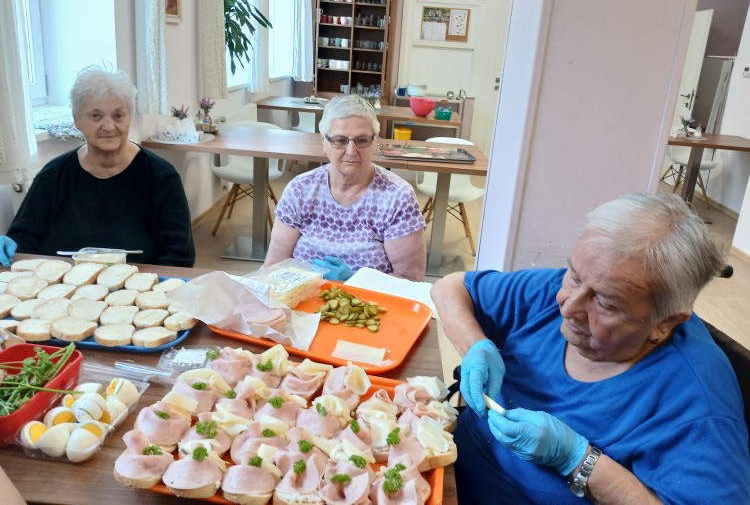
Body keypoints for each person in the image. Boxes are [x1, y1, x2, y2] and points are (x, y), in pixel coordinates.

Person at [432, 193, 750, 504]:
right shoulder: (583, 283)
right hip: (442, 475)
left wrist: (578, 459)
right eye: (574, 274)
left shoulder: (699, 409)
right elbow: (450, 287)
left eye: (605, 303)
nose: (568, 306)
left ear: (665, 322)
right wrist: (476, 345)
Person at [0, 65, 195, 268]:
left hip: (140, 291)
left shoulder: (162, 177)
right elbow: (23, 240)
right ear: (77, 120)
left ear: (130, 119)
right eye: (96, 116)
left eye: (119, 115)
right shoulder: (53, 176)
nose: (109, 126)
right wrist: (11, 245)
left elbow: (179, 255)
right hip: (64, 289)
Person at [263, 94, 426, 281]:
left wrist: (355, 280)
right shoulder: (300, 190)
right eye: (339, 140)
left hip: (371, 306)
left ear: (375, 143)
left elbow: (411, 279)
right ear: (323, 142)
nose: (351, 151)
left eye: (362, 140)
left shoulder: (397, 197)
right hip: (301, 302)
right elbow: (274, 265)